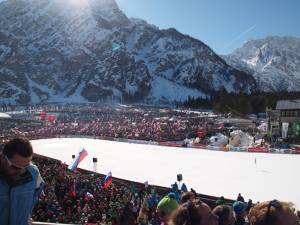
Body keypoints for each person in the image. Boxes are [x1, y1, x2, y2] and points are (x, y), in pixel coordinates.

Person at [0, 138, 45, 225]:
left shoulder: (33, 173)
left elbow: (36, 195)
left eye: (26, 166)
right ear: (2, 158)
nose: (22, 172)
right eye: (15, 167)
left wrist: (26, 216)